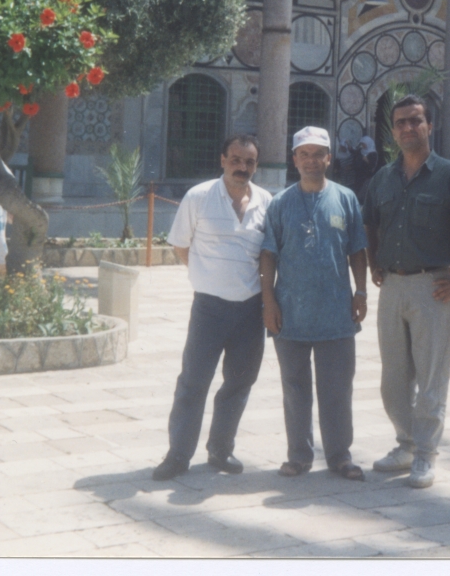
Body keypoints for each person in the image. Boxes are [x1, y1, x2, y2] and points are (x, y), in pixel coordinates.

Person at [363, 95, 450, 488]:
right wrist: (374, 263)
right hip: (393, 287)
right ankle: (404, 444)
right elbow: (370, 224)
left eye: (415, 121)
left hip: (433, 287)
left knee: (432, 376)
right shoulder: (383, 178)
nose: (407, 128)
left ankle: (426, 455)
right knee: (393, 379)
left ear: (429, 126)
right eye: (400, 122)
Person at [152, 134, 272, 480]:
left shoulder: (266, 201)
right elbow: (181, 246)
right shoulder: (200, 197)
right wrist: (206, 278)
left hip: (250, 310)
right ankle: (178, 456)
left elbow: (267, 256)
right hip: (209, 309)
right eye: (235, 159)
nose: (242, 167)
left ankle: (221, 450)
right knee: (194, 382)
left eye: (249, 162)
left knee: (239, 383)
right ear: (222, 160)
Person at [260, 126, 369, 481]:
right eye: (303, 154)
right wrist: (269, 303)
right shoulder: (280, 204)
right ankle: (299, 455)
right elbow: (268, 256)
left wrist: (361, 292)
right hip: (290, 314)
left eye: (317, 154)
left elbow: (357, 250)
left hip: (336, 313)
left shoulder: (346, 199)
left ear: (328, 158)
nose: (311, 161)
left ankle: (340, 456)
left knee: (337, 388)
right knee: (294, 388)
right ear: (294, 159)